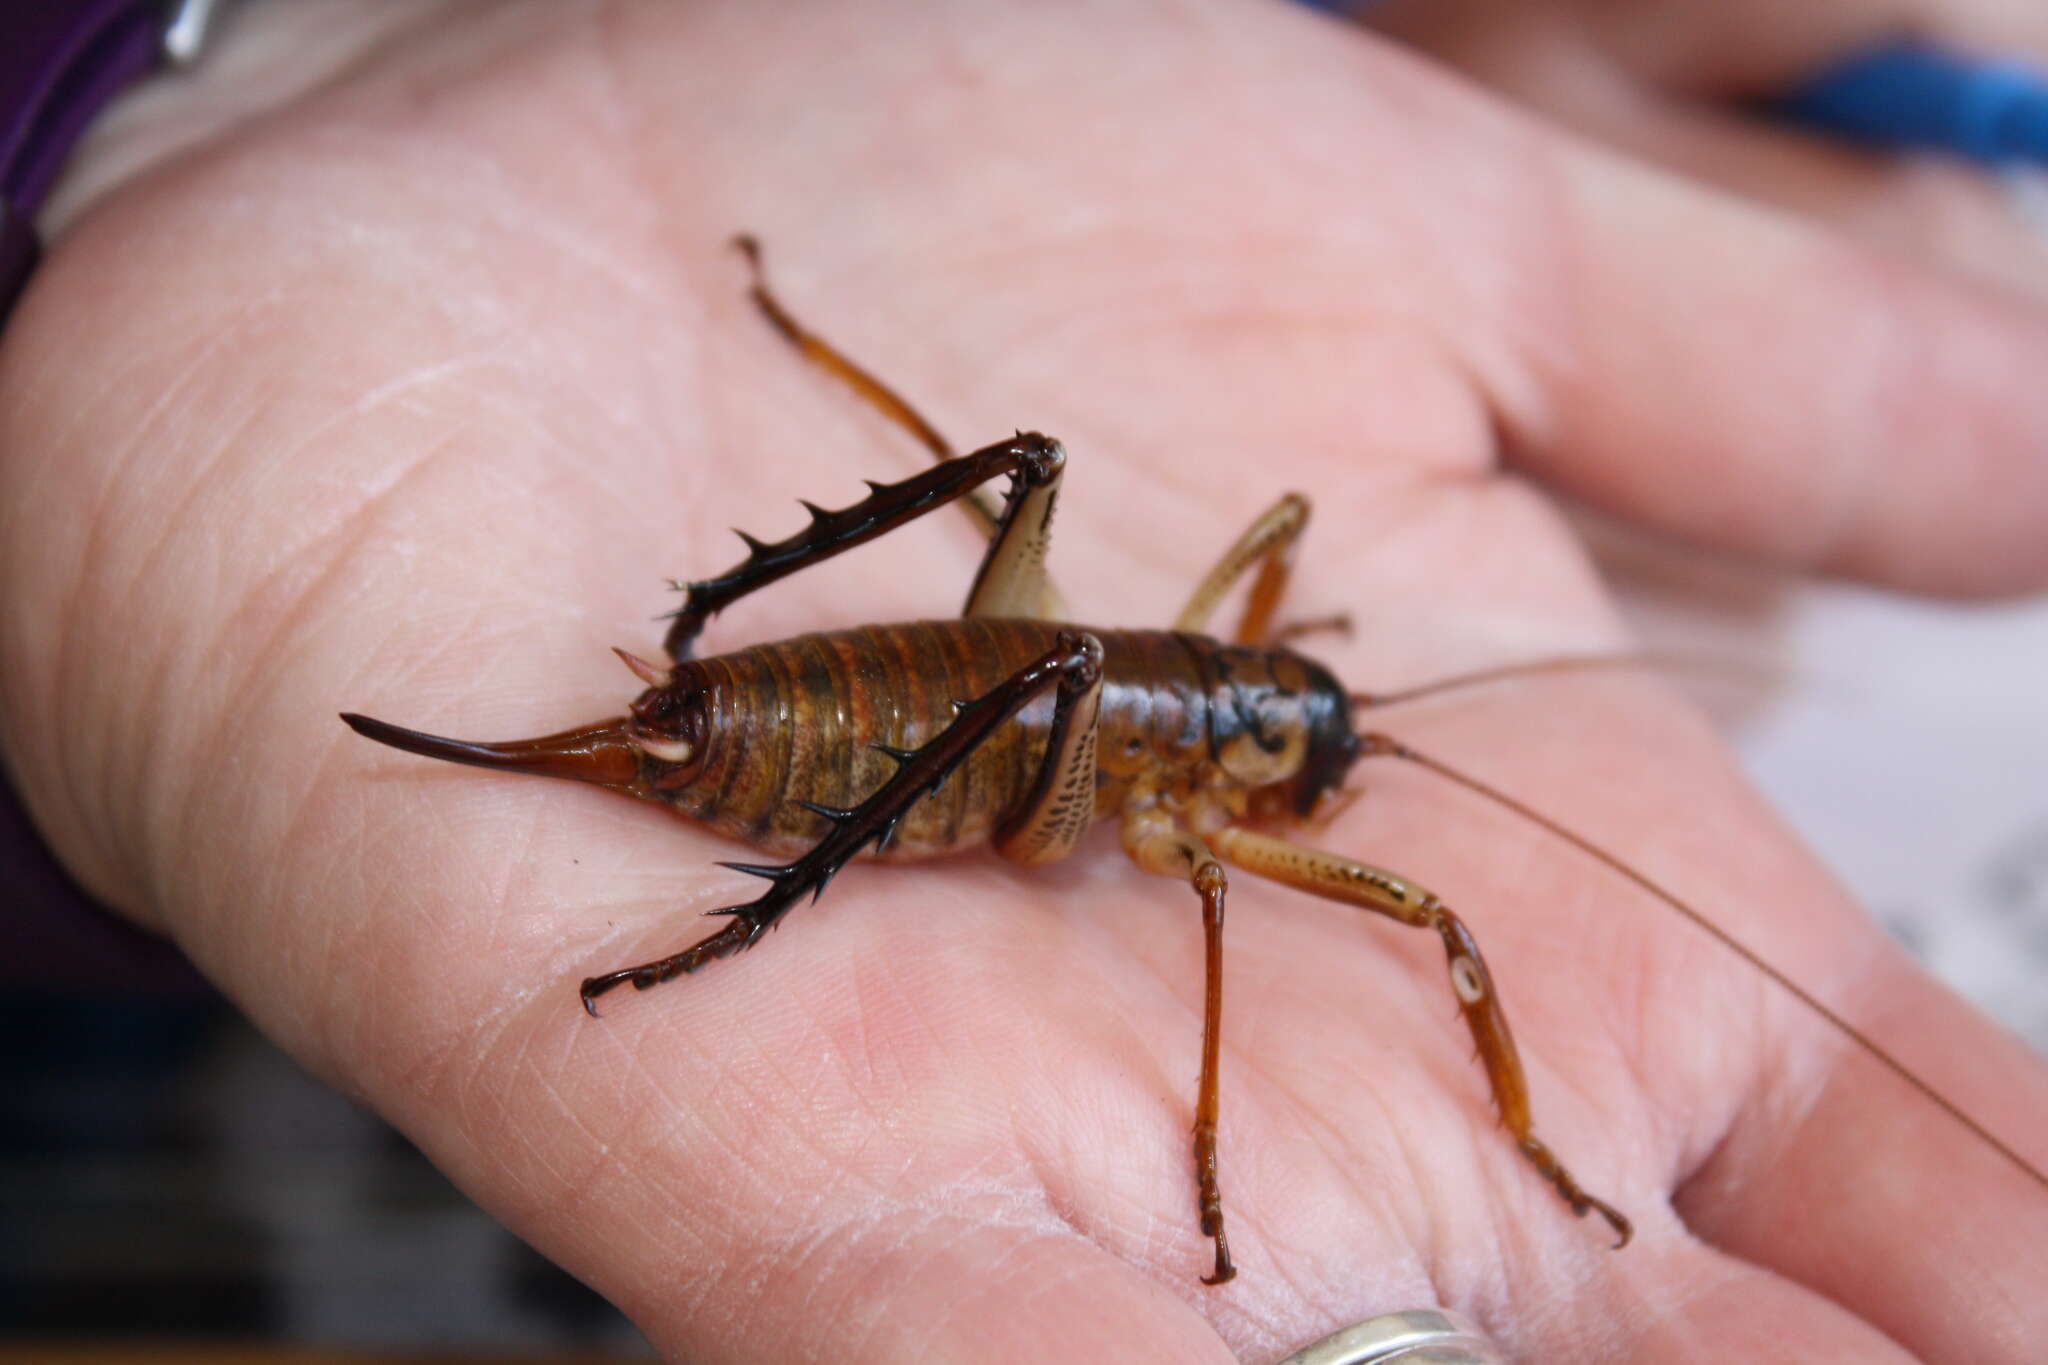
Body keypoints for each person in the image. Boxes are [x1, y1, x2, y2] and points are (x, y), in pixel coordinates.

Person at [4, 2, 2044, 1360]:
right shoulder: (1204, 820)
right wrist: (1219, 1157)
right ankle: (770, 876)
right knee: (1111, 654)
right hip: (901, 732)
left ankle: (732, 728)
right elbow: (1236, 842)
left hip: (954, 708)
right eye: (1301, 725)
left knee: (1058, 594)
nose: (1305, 756)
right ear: (1270, 712)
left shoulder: (1218, 718)